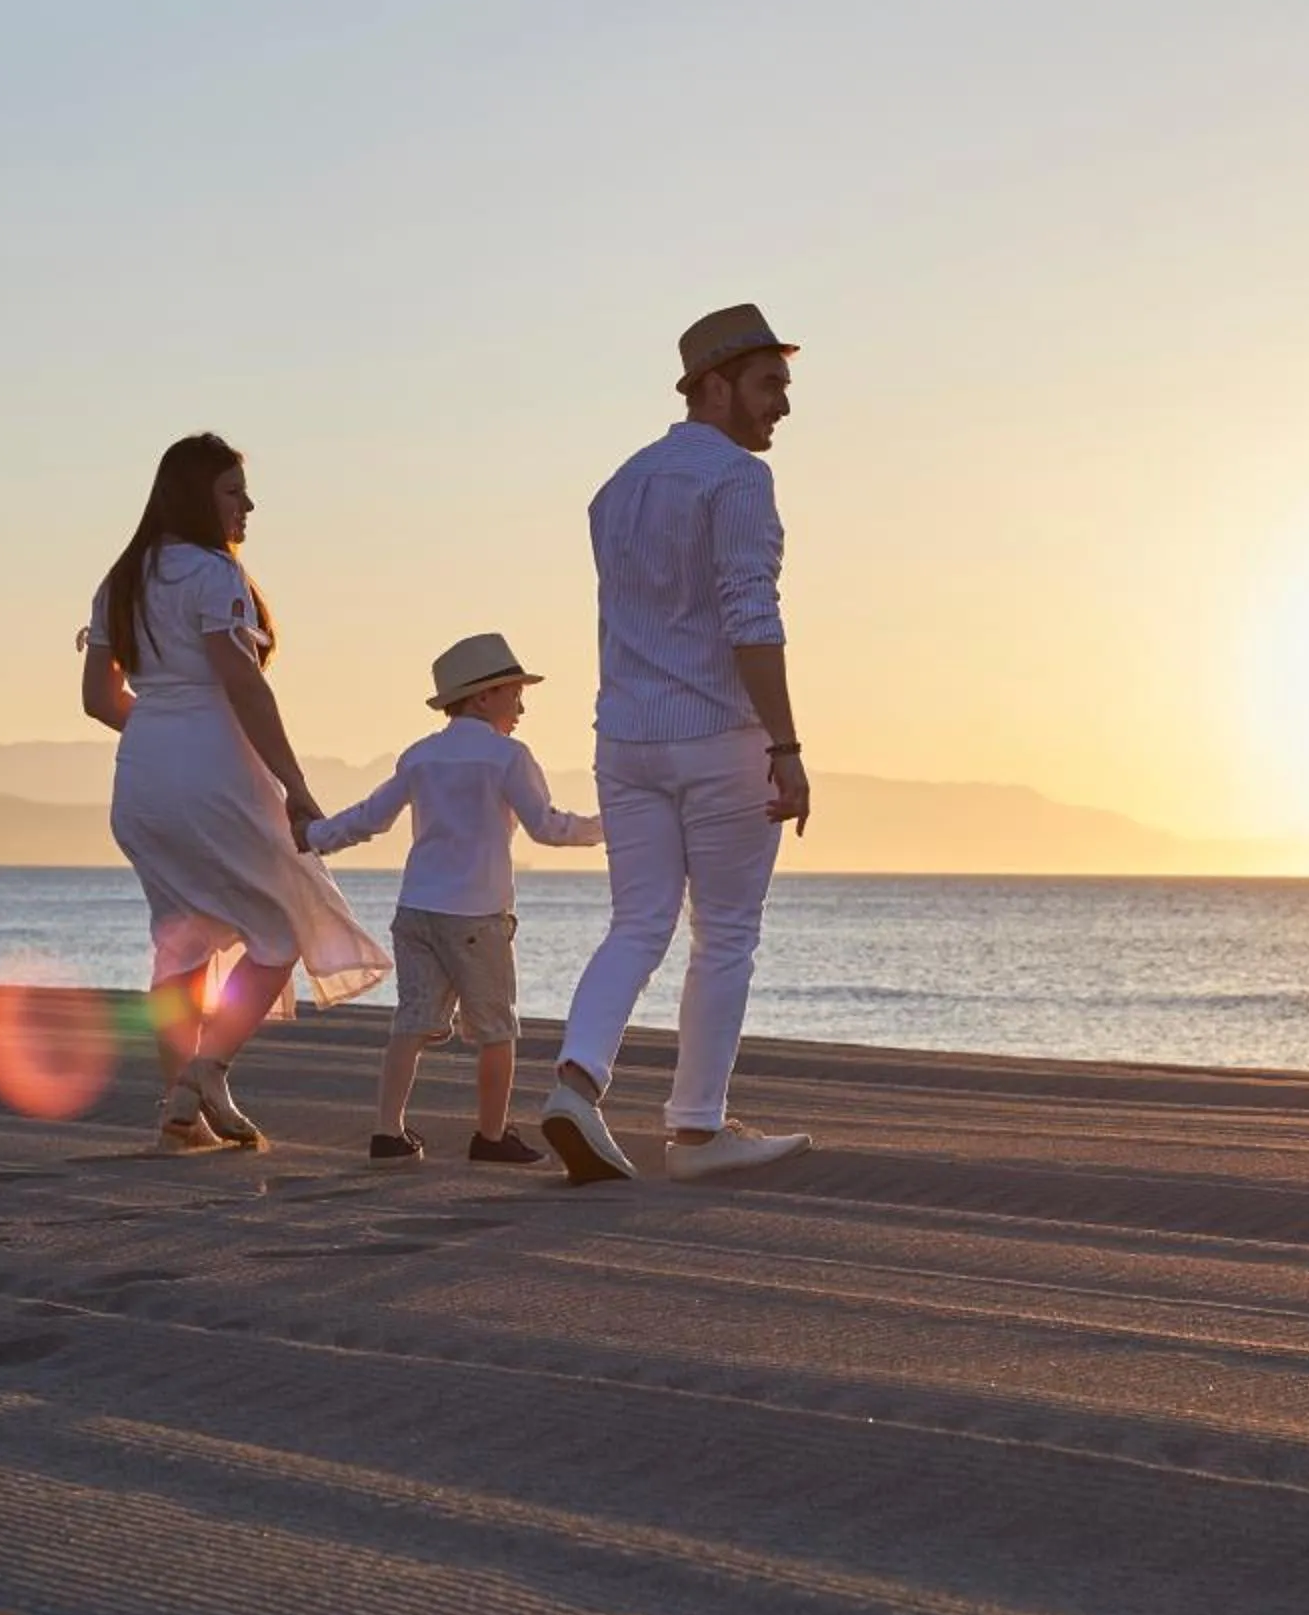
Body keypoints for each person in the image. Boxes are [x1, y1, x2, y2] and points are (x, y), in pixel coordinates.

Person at [538, 304, 817, 1185]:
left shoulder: (615, 488)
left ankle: (576, 1085)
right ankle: (696, 1130)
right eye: (769, 384)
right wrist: (787, 743)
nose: (781, 405)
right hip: (717, 737)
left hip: (624, 738)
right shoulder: (735, 480)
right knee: (726, 931)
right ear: (714, 384)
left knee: (638, 923)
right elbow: (750, 616)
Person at [80, 432, 387, 1152]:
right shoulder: (213, 576)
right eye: (233, 491)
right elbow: (242, 681)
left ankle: (179, 1113)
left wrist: (160, 727)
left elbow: (99, 699)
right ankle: (204, 1072)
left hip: (144, 778)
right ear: (196, 497)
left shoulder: (119, 581)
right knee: (281, 928)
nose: (248, 505)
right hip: (213, 770)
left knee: (179, 943)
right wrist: (297, 785)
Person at [299, 632, 603, 1167]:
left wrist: (315, 836)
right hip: (476, 916)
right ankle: (490, 1137)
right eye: (513, 692)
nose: (521, 706)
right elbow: (547, 828)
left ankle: (387, 1133)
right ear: (482, 696)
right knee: (496, 1031)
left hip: (416, 910)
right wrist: (613, 827)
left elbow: (370, 818)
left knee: (411, 1024)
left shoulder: (421, 755)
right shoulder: (508, 757)